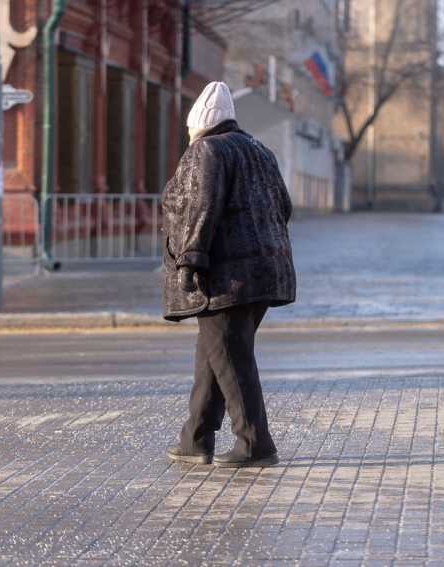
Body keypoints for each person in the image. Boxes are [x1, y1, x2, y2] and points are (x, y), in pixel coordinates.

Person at [161, 81, 296, 468]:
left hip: (226, 277)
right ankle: (195, 438)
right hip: (266, 271)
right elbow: (283, 207)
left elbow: (200, 206)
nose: (189, 137)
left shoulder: (207, 150)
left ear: (200, 125)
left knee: (232, 359)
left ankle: (255, 443)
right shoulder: (259, 150)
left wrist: (190, 260)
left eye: (190, 130)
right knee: (214, 354)